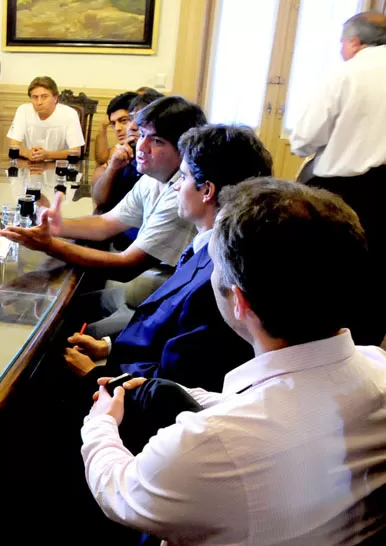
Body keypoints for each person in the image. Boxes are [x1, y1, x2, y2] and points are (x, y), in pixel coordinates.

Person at [80, 179, 386, 545]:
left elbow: (121, 494)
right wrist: (176, 392)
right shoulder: (377, 367)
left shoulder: (207, 444)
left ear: (238, 301)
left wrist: (100, 423)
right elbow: (285, 405)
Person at [64, 125, 272, 392]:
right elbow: (168, 329)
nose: (174, 187)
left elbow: (175, 381)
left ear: (207, 190)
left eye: (182, 178)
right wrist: (108, 346)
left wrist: (94, 376)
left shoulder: (221, 275)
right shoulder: (208, 245)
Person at [0, 96, 205, 286]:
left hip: (155, 295)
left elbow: (127, 267)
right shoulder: (152, 177)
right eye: (142, 135)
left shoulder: (182, 193)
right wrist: (58, 226)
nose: (142, 147)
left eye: (157, 141)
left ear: (184, 148)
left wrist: (49, 245)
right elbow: (106, 223)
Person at [290, 11, 386, 345]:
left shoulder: (346, 73)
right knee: (377, 282)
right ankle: (369, 355)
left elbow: (304, 137)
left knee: (328, 276)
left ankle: (323, 353)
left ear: (354, 42)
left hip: (344, 191)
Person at [91, 90, 163, 214]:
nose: (118, 128)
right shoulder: (126, 151)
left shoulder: (153, 156)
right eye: (113, 123)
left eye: (124, 120)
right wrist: (112, 167)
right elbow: (99, 201)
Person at [6, 76, 84, 162]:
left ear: (55, 98)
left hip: (59, 167)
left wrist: (47, 155)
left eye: (44, 97)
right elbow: (14, 145)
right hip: (30, 165)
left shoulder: (70, 113)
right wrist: (28, 153)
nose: (39, 102)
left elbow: (76, 151)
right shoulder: (23, 110)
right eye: (35, 97)